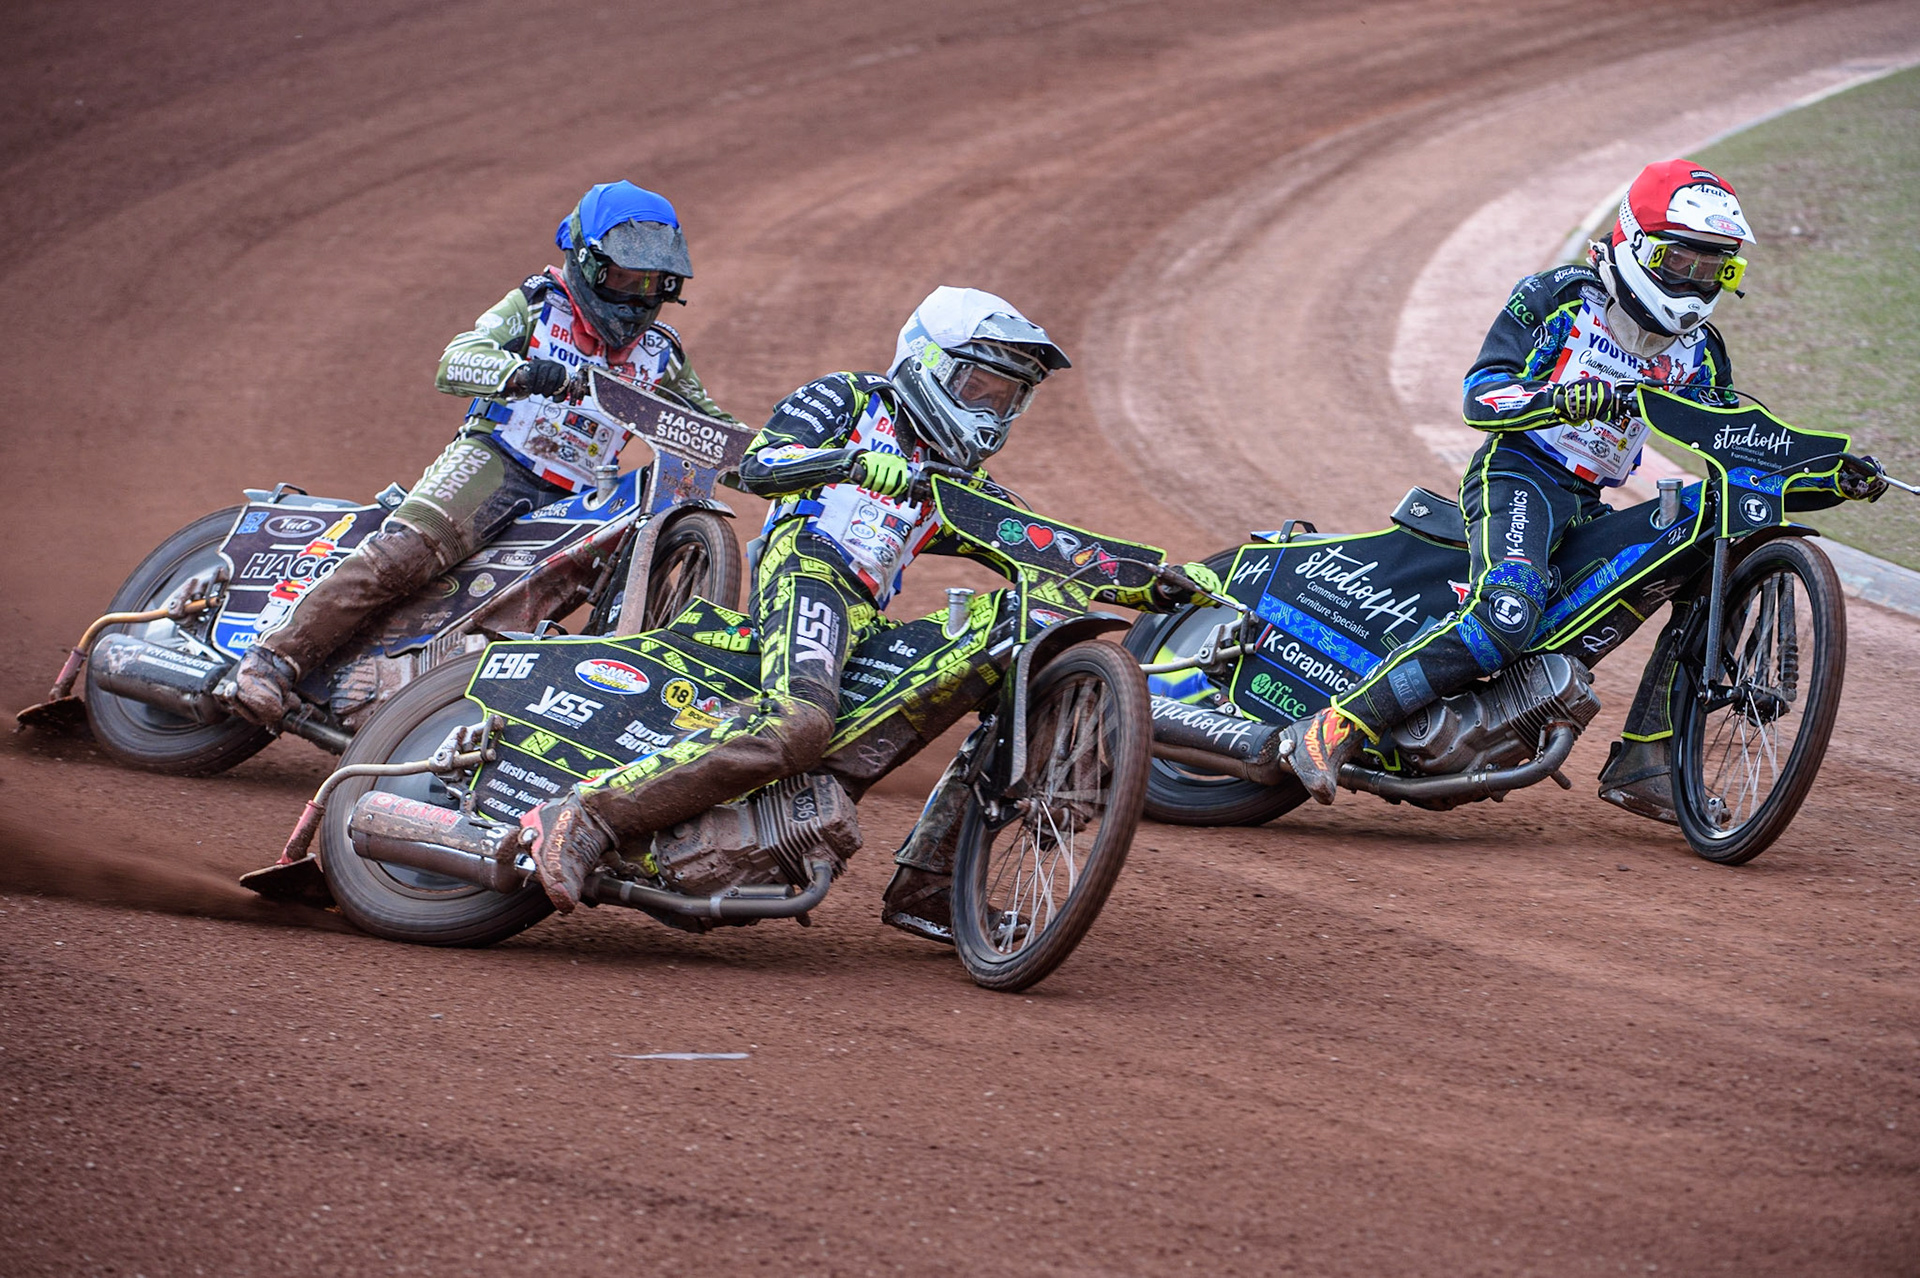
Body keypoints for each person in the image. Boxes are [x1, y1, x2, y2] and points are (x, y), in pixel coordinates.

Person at [515, 285, 1222, 931]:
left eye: (1008, 399)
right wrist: (847, 464)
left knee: (1008, 640)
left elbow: (1045, 544)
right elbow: (760, 463)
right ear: (929, 364)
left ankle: (931, 883)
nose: (991, 412)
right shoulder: (854, 399)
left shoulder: (954, 482)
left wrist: (1150, 579)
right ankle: (584, 816)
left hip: (865, 616)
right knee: (798, 722)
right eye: (979, 386)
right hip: (805, 567)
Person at [1285, 158, 1887, 812]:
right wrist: (1560, 400)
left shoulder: (1702, 352)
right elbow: (1480, 398)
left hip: (1590, 502)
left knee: (1710, 536)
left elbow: (1737, 454)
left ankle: (1649, 759)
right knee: (1504, 617)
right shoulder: (1557, 295)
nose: (1695, 280)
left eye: (1715, 268)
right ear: (1633, 241)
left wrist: (1831, 474)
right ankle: (1334, 725)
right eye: (1680, 260)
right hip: (1519, 473)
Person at [231, 181, 737, 725]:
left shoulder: (663, 353)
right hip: (497, 461)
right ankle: (271, 661)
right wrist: (519, 373)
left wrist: (783, 459)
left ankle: (409, 702)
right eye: (623, 278)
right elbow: (456, 359)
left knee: (527, 619)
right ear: (587, 264)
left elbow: (710, 427)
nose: (637, 299)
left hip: (581, 501)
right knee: (406, 555)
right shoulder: (539, 306)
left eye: (652, 284)